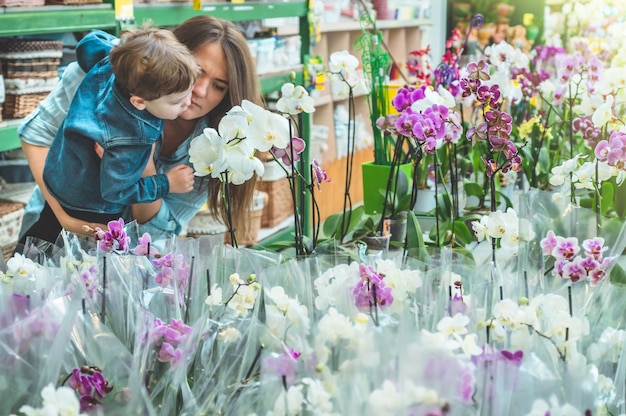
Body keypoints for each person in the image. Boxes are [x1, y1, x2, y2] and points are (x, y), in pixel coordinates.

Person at [17, 15, 262, 248]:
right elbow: (35, 134)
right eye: (197, 71)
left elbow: (156, 233)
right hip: (50, 231)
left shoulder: (215, 150)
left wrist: (145, 164)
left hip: (125, 265)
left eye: (218, 86)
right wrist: (66, 219)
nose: (200, 90)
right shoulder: (110, 73)